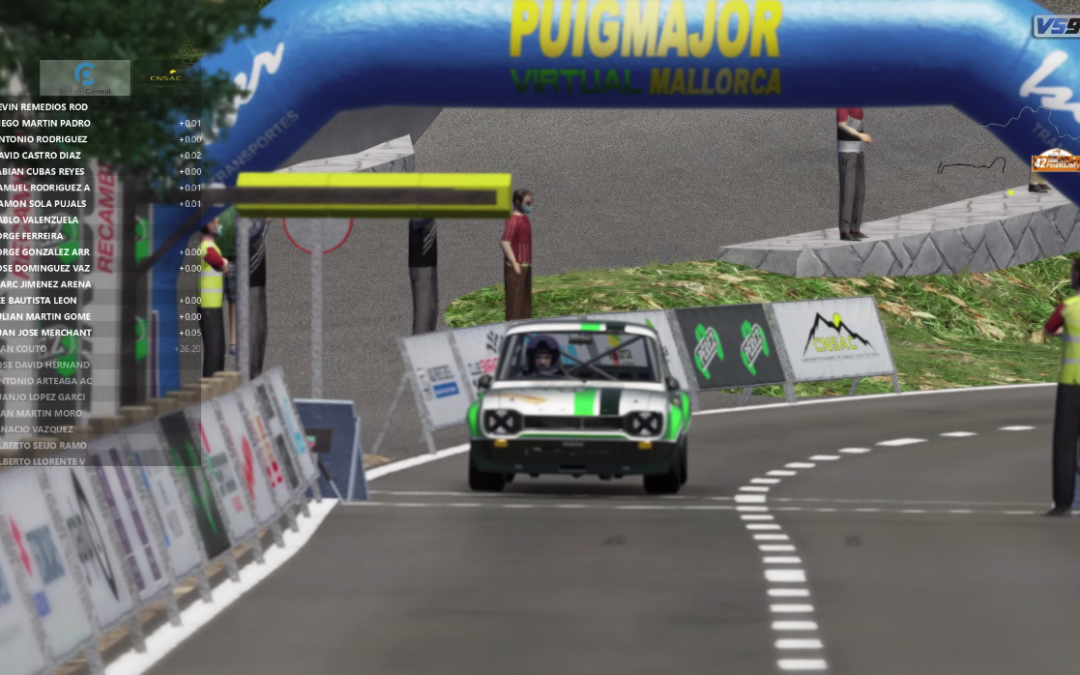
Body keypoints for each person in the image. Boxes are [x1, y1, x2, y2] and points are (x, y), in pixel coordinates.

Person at [1043, 257, 1080, 516]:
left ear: (1075, 278)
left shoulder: (1068, 307)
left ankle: (1063, 504)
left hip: (1071, 384)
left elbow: (1049, 329)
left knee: (1065, 445)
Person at [198, 215, 229, 377]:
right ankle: (210, 388)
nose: (220, 225)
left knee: (217, 351)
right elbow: (217, 262)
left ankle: (213, 386)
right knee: (214, 352)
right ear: (209, 225)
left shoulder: (210, 246)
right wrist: (224, 262)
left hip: (212, 306)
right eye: (217, 222)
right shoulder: (206, 247)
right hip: (208, 306)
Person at [836, 108, 872, 242]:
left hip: (858, 149)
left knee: (859, 191)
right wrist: (860, 135)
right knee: (849, 191)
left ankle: (855, 229)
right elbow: (841, 124)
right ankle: (845, 231)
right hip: (847, 150)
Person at [502, 188, 533, 320]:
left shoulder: (525, 219)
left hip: (526, 265)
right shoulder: (513, 220)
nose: (530, 207)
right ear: (517, 202)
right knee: (515, 302)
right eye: (528, 203)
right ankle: (512, 328)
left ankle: (524, 328)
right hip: (517, 267)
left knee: (524, 302)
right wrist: (515, 265)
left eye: (531, 203)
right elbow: (505, 242)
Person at [408, 217, 439, 334]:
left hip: (426, 229)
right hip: (422, 233)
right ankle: (421, 342)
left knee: (430, 309)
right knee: (425, 314)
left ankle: (425, 340)